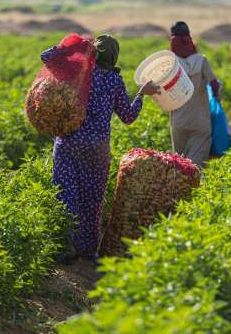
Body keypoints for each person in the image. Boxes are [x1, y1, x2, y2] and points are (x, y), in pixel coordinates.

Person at [40, 34, 159, 264]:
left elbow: (46, 56)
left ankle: (65, 247)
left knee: (65, 194)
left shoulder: (79, 72)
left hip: (69, 142)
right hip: (96, 148)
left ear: (92, 53)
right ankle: (88, 251)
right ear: (114, 57)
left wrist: (74, 45)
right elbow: (128, 116)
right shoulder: (114, 81)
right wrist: (142, 94)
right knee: (92, 199)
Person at [169, 21, 221, 169]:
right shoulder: (201, 60)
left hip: (179, 121)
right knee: (196, 164)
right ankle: (196, 191)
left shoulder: (171, 63)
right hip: (200, 120)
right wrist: (217, 99)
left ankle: (182, 191)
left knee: (180, 162)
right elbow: (214, 85)